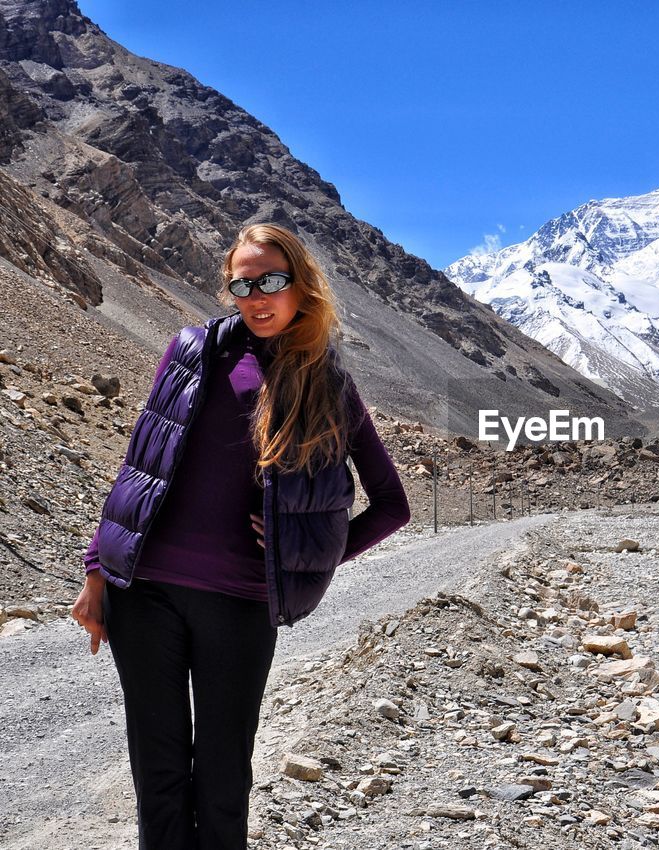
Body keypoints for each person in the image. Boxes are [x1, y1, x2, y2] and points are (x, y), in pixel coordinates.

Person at [69, 223, 411, 849]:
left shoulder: (326, 381)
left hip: (241, 604)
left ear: (301, 287)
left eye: (273, 282)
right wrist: (97, 572)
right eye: (243, 283)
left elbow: (392, 505)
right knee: (158, 774)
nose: (258, 297)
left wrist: (303, 557)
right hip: (144, 596)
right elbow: (138, 465)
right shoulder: (190, 350)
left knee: (224, 780)